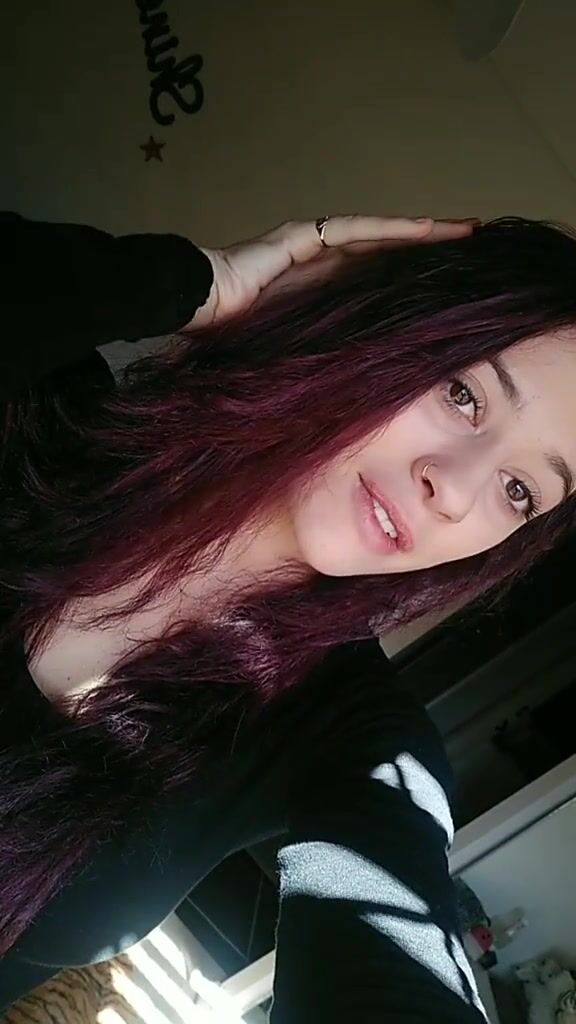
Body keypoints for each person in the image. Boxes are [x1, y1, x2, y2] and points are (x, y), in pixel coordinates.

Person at [1, 209, 575, 1021]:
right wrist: (193, 283)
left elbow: (397, 948)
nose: (453, 489)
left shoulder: (355, 740)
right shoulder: (42, 406)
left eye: (520, 491)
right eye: (463, 393)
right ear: (387, 329)